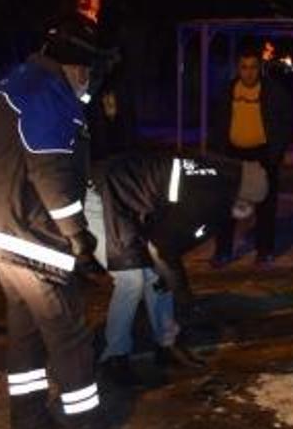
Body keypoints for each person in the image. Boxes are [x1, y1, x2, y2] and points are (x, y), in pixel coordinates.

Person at [0, 15, 150, 429]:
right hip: (31, 238)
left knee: (26, 334)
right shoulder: (49, 93)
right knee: (70, 336)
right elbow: (50, 173)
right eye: (90, 71)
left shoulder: (20, 81)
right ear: (77, 66)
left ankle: (27, 425)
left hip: (1, 233)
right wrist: (78, 237)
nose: (90, 81)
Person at [88, 151, 269, 386]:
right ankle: (114, 358)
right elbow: (165, 248)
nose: (248, 212)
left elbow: (165, 242)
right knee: (132, 279)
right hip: (98, 196)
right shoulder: (204, 192)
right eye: (250, 204)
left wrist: (173, 281)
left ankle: (167, 346)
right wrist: (184, 296)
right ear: (241, 196)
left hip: (125, 201)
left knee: (156, 277)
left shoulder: (215, 175)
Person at [211, 45, 292, 267]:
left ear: (260, 68)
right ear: (238, 68)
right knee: (227, 204)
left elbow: (285, 123)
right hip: (233, 155)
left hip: (263, 154)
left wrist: (275, 154)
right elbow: (217, 123)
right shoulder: (227, 91)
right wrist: (218, 152)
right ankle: (223, 251)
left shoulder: (274, 92)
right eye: (244, 67)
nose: (248, 72)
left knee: (265, 205)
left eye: (253, 67)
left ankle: (264, 251)